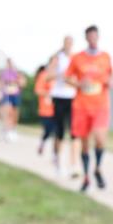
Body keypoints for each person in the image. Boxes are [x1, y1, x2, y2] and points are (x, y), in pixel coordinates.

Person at [65, 25, 113, 192]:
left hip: (101, 104)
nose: (93, 39)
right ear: (86, 38)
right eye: (90, 36)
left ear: (98, 37)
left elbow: (110, 76)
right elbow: (67, 78)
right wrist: (79, 83)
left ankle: (98, 169)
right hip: (82, 105)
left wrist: (110, 82)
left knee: (100, 139)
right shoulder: (78, 58)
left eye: (95, 36)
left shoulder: (106, 57)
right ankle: (86, 177)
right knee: (84, 143)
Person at [48, 36, 80, 179]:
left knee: (75, 132)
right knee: (60, 132)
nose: (69, 45)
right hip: (59, 97)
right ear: (63, 44)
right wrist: (62, 74)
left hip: (73, 97)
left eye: (71, 43)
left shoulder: (76, 58)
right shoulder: (57, 57)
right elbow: (48, 76)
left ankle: (74, 166)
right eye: (67, 42)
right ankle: (58, 161)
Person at [0, 58, 26, 141]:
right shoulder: (3, 73)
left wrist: (16, 81)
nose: (9, 65)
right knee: (8, 112)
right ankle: (7, 130)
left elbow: (22, 83)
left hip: (15, 95)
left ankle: (13, 129)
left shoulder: (17, 73)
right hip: (6, 95)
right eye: (8, 63)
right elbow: (0, 83)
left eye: (10, 63)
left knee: (15, 113)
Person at [34, 64, 55, 155]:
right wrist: (50, 94)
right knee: (48, 130)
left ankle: (55, 154)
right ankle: (42, 143)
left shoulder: (62, 75)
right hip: (46, 109)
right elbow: (38, 90)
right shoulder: (43, 75)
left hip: (58, 108)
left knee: (57, 132)